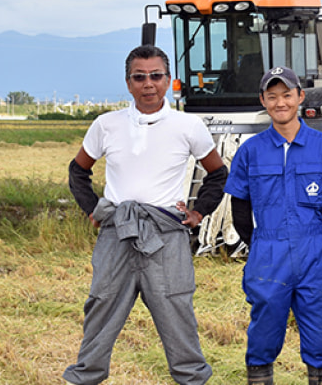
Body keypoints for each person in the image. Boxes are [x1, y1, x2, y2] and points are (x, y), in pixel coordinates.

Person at [64, 44, 227, 385]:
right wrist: (93, 210)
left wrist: (198, 214)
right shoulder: (106, 125)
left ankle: (192, 379)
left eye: (156, 76)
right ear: (128, 83)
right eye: (140, 77)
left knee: (176, 311)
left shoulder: (188, 125)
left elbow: (217, 174)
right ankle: (85, 378)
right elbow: (78, 170)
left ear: (169, 80)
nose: (148, 84)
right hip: (117, 233)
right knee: (101, 307)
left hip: (166, 235)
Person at [223, 66, 322, 385]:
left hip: (315, 254)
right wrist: (262, 244)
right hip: (268, 254)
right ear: (263, 100)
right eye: (273, 96)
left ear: (300, 97)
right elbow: (240, 208)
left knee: (320, 338)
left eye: (287, 95)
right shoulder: (250, 151)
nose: (281, 102)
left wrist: (317, 241)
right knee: (262, 337)